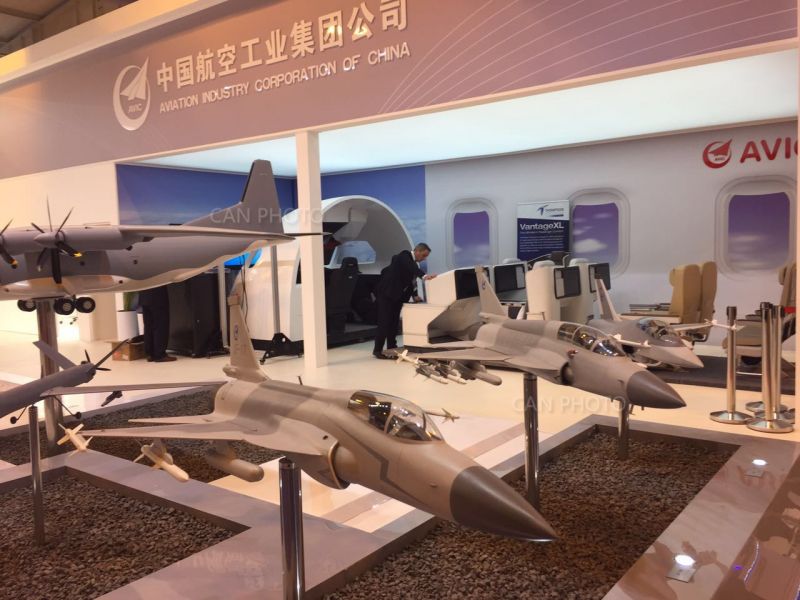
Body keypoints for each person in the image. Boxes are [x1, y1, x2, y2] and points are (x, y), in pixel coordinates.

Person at [373, 243, 436, 359]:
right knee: (384, 322)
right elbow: (411, 267)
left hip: (397, 297)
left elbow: (410, 282)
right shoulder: (404, 255)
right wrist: (424, 276)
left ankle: (392, 347)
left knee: (394, 322)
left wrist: (414, 295)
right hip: (386, 295)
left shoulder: (412, 264)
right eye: (423, 255)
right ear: (417, 251)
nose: (424, 259)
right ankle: (377, 350)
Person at [138, 285, 176, 362]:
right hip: (157, 294)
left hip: (144, 294)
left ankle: (150, 353)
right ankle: (160, 354)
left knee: (148, 325)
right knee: (160, 324)